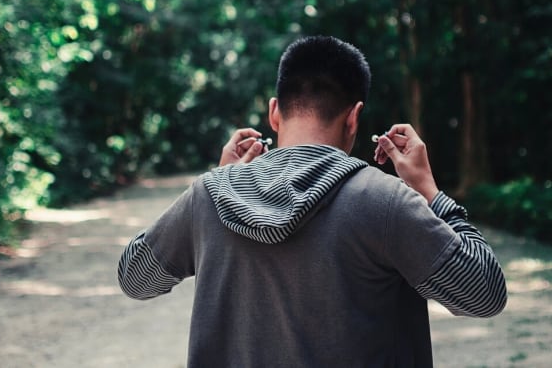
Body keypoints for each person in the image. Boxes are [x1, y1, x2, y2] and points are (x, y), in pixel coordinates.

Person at [118, 35, 507, 367]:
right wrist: (430, 194)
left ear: (274, 112)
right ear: (354, 118)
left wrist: (223, 180)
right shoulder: (385, 200)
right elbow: (483, 295)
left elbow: (135, 279)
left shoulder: (208, 196)